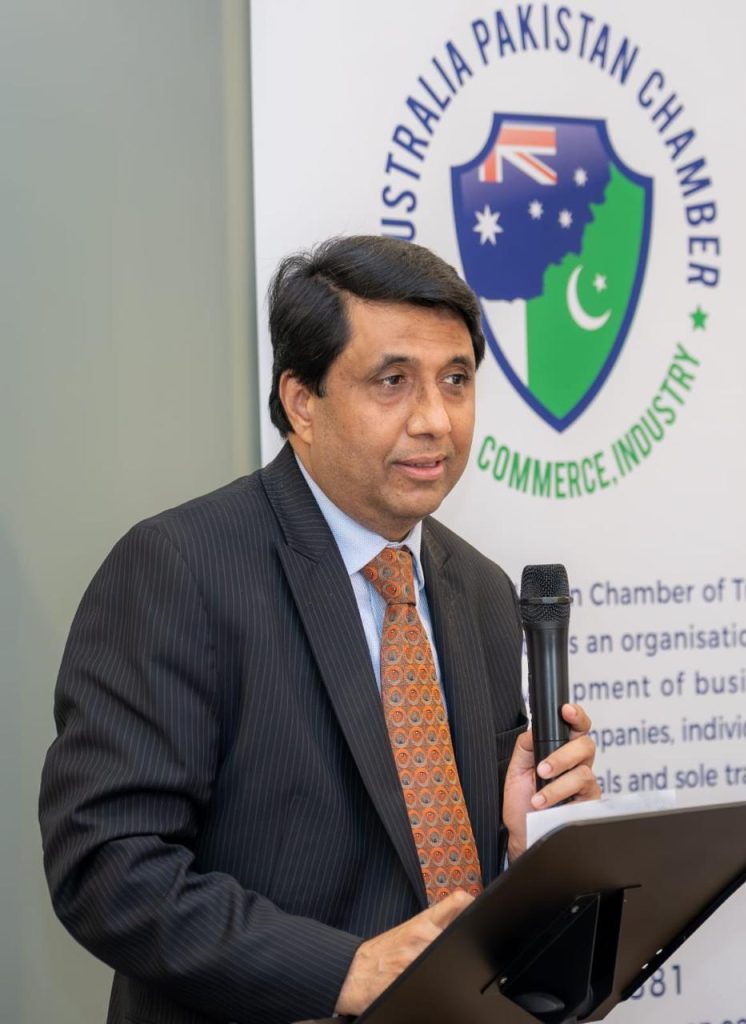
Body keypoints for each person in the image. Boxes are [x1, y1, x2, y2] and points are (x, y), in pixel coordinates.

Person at [39, 235, 600, 1024]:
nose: (435, 421)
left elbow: (444, 874)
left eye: (456, 381)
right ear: (302, 401)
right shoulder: (180, 568)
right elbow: (107, 867)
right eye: (392, 382)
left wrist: (529, 847)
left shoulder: (481, 590)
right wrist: (344, 970)